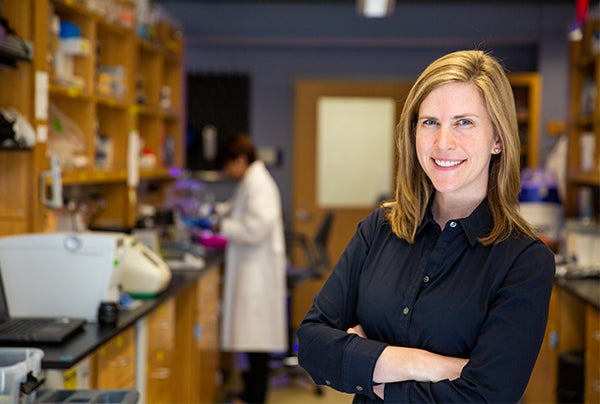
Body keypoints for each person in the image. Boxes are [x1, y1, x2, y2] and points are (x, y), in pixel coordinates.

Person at [296, 50, 555, 403]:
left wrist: (366, 367)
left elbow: (484, 396)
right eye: (429, 122)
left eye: (464, 122)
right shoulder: (379, 229)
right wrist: (428, 365)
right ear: (413, 132)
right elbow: (311, 343)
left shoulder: (524, 260)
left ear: (498, 140)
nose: (443, 142)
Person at [215, 132, 287, 403]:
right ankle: (250, 391)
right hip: (252, 268)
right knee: (255, 341)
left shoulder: (258, 183)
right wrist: (217, 212)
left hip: (258, 272)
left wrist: (221, 226)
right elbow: (235, 208)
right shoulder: (251, 180)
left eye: (228, 164)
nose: (227, 171)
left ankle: (255, 396)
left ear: (241, 159)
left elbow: (255, 228)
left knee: (258, 342)